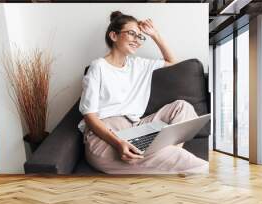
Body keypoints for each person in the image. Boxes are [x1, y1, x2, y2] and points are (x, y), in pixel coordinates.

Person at [78, 11, 208, 174]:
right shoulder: (98, 67)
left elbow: (173, 63)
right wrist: (119, 143)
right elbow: (89, 116)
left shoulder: (138, 64)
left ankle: (165, 153)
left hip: (135, 128)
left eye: (140, 37)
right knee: (196, 166)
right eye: (132, 34)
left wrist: (155, 35)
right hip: (106, 137)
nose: (137, 40)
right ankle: (167, 156)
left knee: (182, 107)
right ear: (114, 35)